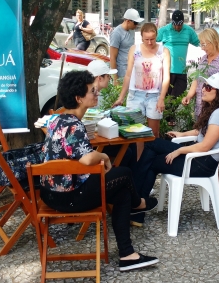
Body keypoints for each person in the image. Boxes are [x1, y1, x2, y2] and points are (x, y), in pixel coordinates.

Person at [39, 70, 159, 272]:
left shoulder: (56, 119)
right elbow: (87, 159)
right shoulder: (75, 126)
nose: (96, 94)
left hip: (49, 194)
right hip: (69, 196)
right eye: (92, 91)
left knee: (121, 191)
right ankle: (138, 204)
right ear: (79, 98)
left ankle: (128, 254)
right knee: (125, 173)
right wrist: (103, 156)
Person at [132, 73, 219, 226]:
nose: (203, 89)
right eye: (204, 86)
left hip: (201, 164)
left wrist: (179, 151)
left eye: (208, 87)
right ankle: (136, 207)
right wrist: (182, 134)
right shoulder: (215, 109)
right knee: (152, 146)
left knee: (151, 158)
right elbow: (200, 133)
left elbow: (205, 146)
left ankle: (134, 205)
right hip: (198, 159)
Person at [182, 28, 219, 188]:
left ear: (213, 41)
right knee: (203, 136)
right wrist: (189, 95)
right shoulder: (204, 58)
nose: (202, 47)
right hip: (203, 106)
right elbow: (197, 79)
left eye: (204, 44)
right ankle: (205, 170)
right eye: (201, 44)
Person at [113, 23, 171, 155]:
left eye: (152, 38)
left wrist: (161, 98)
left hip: (154, 95)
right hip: (136, 94)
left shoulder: (164, 51)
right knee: (136, 134)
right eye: (147, 39)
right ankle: (138, 164)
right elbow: (128, 74)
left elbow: (166, 77)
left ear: (156, 35)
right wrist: (121, 97)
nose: (150, 42)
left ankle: (151, 164)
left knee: (153, 133)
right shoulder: (135, 50)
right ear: (141, 38)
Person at [87, 60, 137, 170]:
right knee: (128, 150)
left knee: (131, 146)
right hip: (91, 144)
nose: (110, 79)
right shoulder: (90, 96)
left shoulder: (91, 92)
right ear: (100, 78)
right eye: (108, 76)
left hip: (93, 141)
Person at [157, 10, 200, 126]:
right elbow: (152, 41)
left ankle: (167, 116)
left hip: (181, 70)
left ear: (183, 22)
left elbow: (199, 42)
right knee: (167, 95)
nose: (177, 27)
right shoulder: (164, 30)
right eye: (175, 24)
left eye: (179, 24)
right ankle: (168, 120)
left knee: (179, 92)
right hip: (167, 70)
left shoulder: (188, 31)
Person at [110, 8, 143, 82]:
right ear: (128, 21)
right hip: (121, 73)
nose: (137, 25)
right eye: (135, 23)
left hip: (131, 70)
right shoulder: (116, 33)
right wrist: (115, 79)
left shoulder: (131, 31)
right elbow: (112, 57)